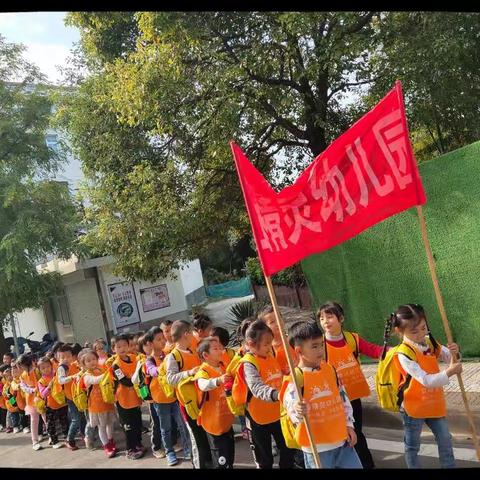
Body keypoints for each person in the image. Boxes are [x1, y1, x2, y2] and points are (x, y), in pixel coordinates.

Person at [388, 303, 461, 469]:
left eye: (423, 327)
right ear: (400, 331)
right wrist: (449, 372)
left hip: (433, 402)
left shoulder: (429, 342)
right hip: (413, 407)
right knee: (413, 446)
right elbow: (426, 380)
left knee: (445, 439)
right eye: (414, 331)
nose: (421, 333)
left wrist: (454, 352)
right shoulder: (403, 353)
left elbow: (448, 356)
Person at [282, 321, 362, 469]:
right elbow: (290, 409)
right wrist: (298, 410)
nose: (320, 350)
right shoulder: (296, 378)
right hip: (317, 449)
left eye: (321, 344)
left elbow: (343, 400)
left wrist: (349, 425)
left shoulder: (330, 370)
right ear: (299, 351)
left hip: (342, 442)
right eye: (314, 346)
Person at [317, 301, 383, 468]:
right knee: (339, 434)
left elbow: (373, 350)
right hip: (332, 399)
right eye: (322, 318)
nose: (325, 321)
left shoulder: (352, 338)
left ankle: (366, 464)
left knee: (356, 432)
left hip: (353, 396)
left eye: (329, 316)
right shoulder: (319, 345)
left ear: (341, 319)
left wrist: (393, 351)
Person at [239, 320, 295, 469]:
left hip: (278, 413)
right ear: (251, 344)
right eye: (266, 344)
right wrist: (277, 394)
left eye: (270, 343)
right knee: (265, 458)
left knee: (288, 448)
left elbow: (276, 374)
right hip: (259, 418)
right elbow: (257, 387)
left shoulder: (270, 354)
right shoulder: (248, 363)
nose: (269, 347)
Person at [166, 320, 212, 468]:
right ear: (185, 334)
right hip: (187, 403)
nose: (194, 336)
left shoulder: (193, 351)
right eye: (191, 333)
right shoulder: (174, 356)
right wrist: (189, 373)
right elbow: (171, 379)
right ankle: (199, 464)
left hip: (201, 400)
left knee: (204, 432)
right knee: (196, 437)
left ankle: (209, 461)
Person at [144, 326, 191, 466]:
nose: (163, 341)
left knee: (182, 424)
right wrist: (165, 367)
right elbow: (153, 371)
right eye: (158, 339)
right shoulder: (149, 360)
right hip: (160, 400)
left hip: (175, 397)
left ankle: (188, 448)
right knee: (165, 428)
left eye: (163, 338)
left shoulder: (169, 354)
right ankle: (169, 452)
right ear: (151, 343)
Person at [196, 338, 235, 468]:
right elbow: (203, 385)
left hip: (226, 420)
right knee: (221, 458)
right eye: (215, 348)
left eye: (220, 347)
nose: (220, 350)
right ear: (205, 355)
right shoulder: (203, 371)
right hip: (213, 423)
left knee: (230, 454)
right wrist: (218, 380)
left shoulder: (223, 366)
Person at [109, 333, 146, 460]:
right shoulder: (115, 365)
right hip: (123, 401)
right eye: (118, 347)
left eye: (124, 345)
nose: (122, 348)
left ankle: (138, 445)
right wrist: (136, 374)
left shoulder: (134, 358)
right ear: (113, 349)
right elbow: (126, 382)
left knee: (137, 423)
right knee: (128, 426)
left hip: (135, 399)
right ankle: (130, 450)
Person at [77, 348, 118, 458]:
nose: (92, 362)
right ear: (84, 364)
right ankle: (106, 446)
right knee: (101, 426)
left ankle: (110, 440)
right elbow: (96, 380)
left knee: (110, 424)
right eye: (88, 361)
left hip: (107, 403)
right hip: (96, 406)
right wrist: (108, 373)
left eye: (94, 359)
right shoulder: (86, 376)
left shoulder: (101, 370)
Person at [37, 357, 68, 449]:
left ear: (51, 366)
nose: (46, 369)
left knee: (64, 421)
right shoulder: (41, 381)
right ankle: (54, 441)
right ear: (39, 370)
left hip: (62, 403)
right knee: (51, 424)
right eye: (43, 368)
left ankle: (67, 437)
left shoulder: (56, 375)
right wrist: (49, 387)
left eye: (47, 366)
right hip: (50, 405)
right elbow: (43, 394)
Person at [17, 353, 47, 450]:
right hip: (30, 400)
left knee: (46, 418)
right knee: (34, 420)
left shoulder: (37, 371)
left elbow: (42, 381)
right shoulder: (22, 375)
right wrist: (32, 390)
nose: (20, 368)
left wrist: (36, 390)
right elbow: (23, 387)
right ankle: (35, 441)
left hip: (40, 398)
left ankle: (52, 436)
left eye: (21, 365)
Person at [257, 306, 298, 375]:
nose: (278, 323)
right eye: (272, 322)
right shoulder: (268, 350)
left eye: (279, 318)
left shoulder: (293, 339)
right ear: (265, 327)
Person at [56, 344, 82, 450]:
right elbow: (61, 380)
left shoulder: (74, 364)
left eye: (68, 356)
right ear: (58, 358)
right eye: (62, 357)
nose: (65, 359)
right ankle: (69, 439)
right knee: (76, 419)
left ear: (72, 356)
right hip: (71, 397)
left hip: (78, 395)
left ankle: (84, 435)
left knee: (81, 417)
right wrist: (72, 377)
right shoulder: (62, 368)